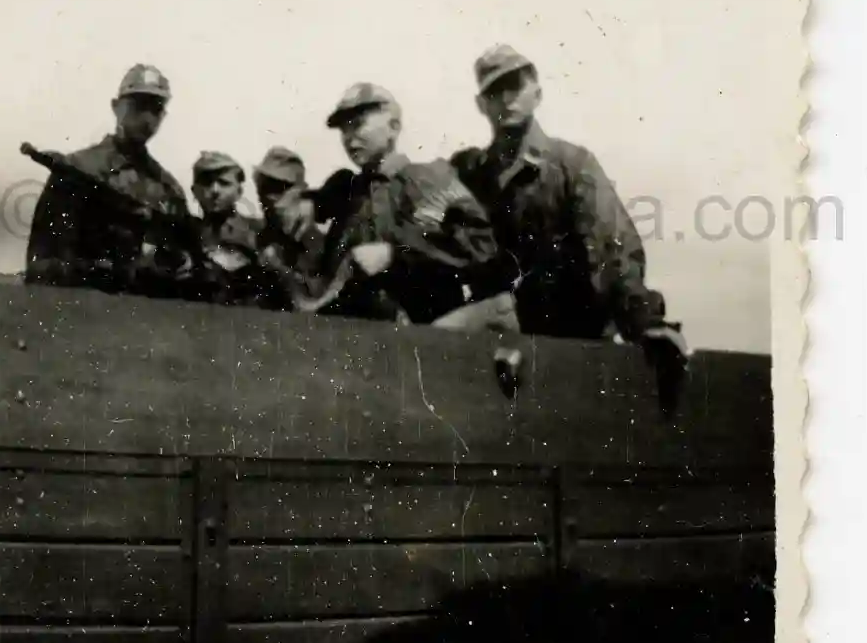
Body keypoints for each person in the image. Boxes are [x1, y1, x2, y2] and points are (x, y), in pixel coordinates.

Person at [451, 45, 690, 402]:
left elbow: (613, 249)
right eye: (494, 92)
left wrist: (644, 322)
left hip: (567, 336)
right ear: (480, 105)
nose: (506, 100)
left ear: (537, 94)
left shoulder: (570, 165)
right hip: (495, 342)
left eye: (515, 87)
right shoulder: (469, 174)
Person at [311, 83, 513, 327]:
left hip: (425, 336)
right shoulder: (351, 201)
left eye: (357, 124)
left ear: (393, 128)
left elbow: (482, 249)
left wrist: (396, 256)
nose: (349, 137)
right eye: (343, 129)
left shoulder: (424, 179)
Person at [23, 64, 197, 297]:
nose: (146, 118)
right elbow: (41, 266)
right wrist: (113, 271)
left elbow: (187, 271)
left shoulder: (168, 189)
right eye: (138, 106)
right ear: (116, 107)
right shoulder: (78, 170)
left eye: (155, 109)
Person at [249, 147, 331, 312]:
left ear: (300, 190)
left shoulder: (314, 242)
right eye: (265, 187)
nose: (270, 196)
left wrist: (281, 271)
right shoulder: (256, 236)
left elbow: (316, 303)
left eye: (281, 187)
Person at [189, 151, 262, 305]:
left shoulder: (258, 233)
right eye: (207, 182)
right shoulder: (184, 232)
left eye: (224, 183)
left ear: (239, 192)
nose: (215, 190)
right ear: (194, 190)